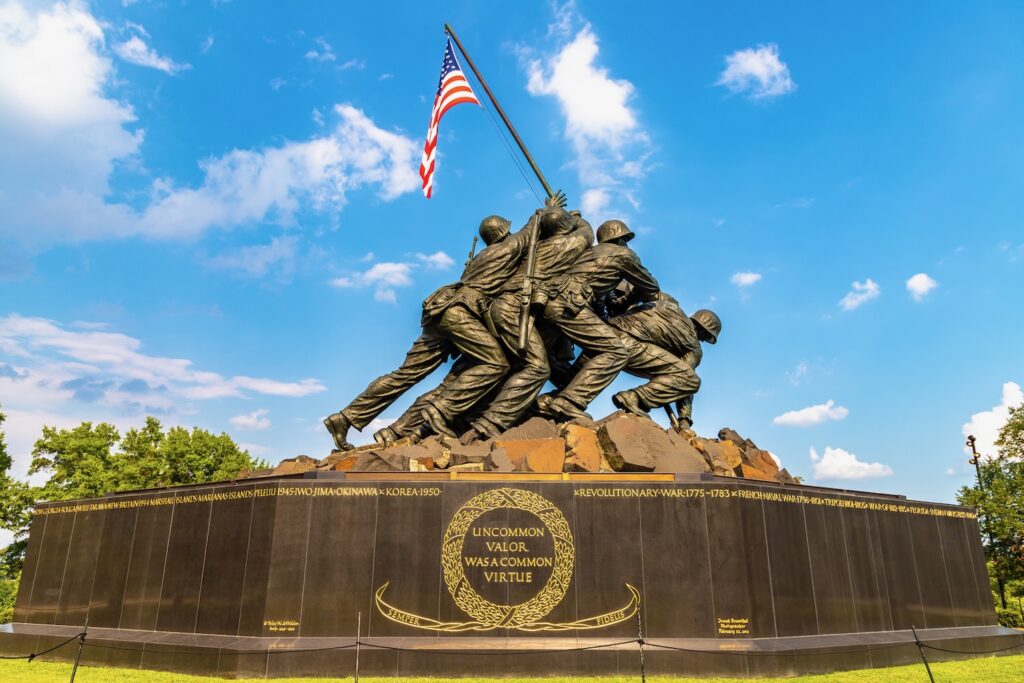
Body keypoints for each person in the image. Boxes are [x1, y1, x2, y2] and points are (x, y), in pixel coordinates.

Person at [323, 212, 534, 450]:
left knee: (404, 375)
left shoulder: (480, 258)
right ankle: (440, 409)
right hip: (460, 315)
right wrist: (547, 208)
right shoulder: (507, 247)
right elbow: (530, 230)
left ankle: (345, 417)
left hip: (440, 312)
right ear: (505, 231)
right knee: (497, 365)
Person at [461, 207, 595, 442]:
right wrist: (576, 218)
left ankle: (478, 415)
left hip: (502, 307)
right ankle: (489, 424)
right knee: (538, 368)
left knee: (521, 364)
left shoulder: (528, 250)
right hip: (513, 308)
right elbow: (587, 234)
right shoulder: (563, 245)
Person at [538, 219, 660, 420]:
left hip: (549, 302)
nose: (627, 244)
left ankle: (538, 404)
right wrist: (626, 302)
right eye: (625, 239)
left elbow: (599, 301)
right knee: (616, 352)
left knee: (539, 363)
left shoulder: (589, 254)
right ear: (619, 238)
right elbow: (650, 287)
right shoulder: (623, 254)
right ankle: (568, 401)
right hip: (569, 304)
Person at [600, 291, 721, 428]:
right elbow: (684, 380)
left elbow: (641, 287)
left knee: (574, 382)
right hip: (629, 346)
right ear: (704, 331)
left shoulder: (669, 302)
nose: (704, 341)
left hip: (604, 330)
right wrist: (684, 419)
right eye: (707, 337)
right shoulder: (694, 347)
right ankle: (635, 397)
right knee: (691, 380)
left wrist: (619, 303)